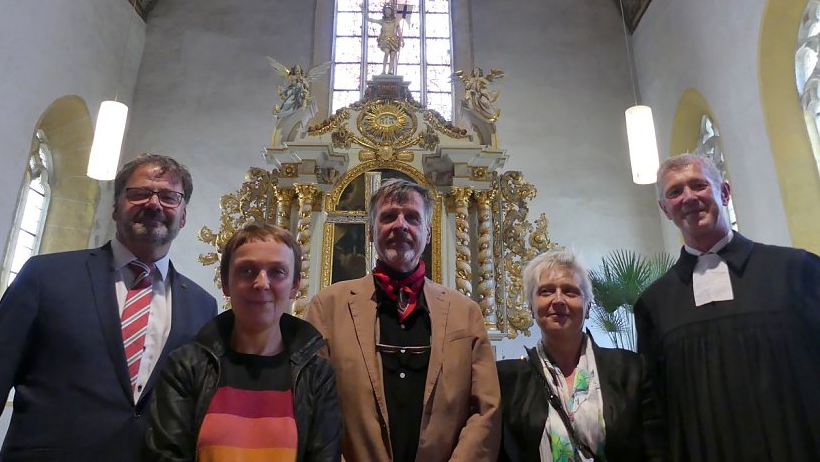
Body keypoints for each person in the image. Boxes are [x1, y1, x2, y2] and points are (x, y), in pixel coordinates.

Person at [0, 154, 217, 462]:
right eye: (138, 193)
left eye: (169, 197)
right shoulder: (46, 276)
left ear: (184, 215)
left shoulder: (201, 305)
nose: (154, 204)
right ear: (115, 206)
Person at [634, 153, 820, 462]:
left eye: (698, 185)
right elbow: (656, 408)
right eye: (675, 192)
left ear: (724, 192)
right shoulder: (655, 303)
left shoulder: (795, 269)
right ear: (665, 209)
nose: (688, 197)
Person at [306, 178, 500, 462]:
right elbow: (313, 407)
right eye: (388, 217)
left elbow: (486, 410)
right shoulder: (328, 307)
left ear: (428, 232)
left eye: (412, 217)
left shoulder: (466, 312)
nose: (400, 225)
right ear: (372, 233)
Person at [144, 223, 340, 462]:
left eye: (277, 271)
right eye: (247, 270)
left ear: (295, 286)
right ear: (226, 283)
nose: (261, 283)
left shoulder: (317, 376)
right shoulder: (185, 367)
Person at [498, 249, 666, 462]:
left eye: (570, 291)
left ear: (588, 307)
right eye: (546, 291)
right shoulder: (507, 380)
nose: (558, 300)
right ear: (532, 307)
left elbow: (656, 451)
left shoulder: (631, 369)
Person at [366, 2, 405, 75]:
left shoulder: (395, 21)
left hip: (394, 40)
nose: (387, 12)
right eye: (386, 11)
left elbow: (399, 32)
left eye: (389, 11)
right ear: (384, 12)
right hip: (385, 39)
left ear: (391, 12)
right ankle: (383, 71)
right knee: (386, 52)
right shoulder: (382, 21)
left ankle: (390, 71)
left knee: (392, 56)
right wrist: (363, 11)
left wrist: (402, 40)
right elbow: (370, 19)